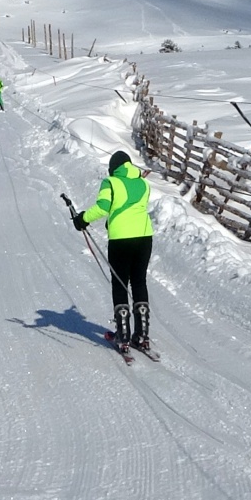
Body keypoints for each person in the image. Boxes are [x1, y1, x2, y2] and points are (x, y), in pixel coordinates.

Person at [72, 150, 155, 352]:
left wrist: (82, 219)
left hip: (121, 241)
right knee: (139, 281)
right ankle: (142, 335)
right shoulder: (144, 183)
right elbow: (130, 208)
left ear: (114, 169)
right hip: (145, 238)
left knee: (120, 284)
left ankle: (123, 337)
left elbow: (102, 207)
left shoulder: (111, 183)